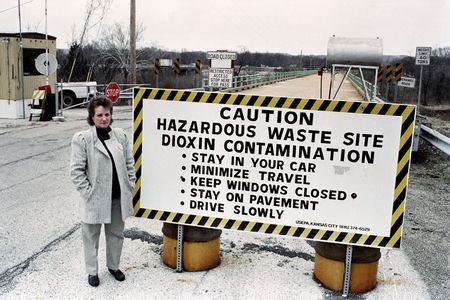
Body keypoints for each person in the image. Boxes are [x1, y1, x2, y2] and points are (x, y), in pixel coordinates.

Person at [70, 96, 136, 287]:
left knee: (116, 235)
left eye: (107, 114)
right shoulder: (83, 139)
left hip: (117, 198)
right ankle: (92, 272)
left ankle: (114, 267)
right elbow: (76, 172)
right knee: (91, 237)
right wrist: (89, 193)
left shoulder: (120, 136)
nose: (104, 118)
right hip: (95, 199)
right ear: (92, 117)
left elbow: (129, 163)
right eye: (99, 115)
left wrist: (129, 184)